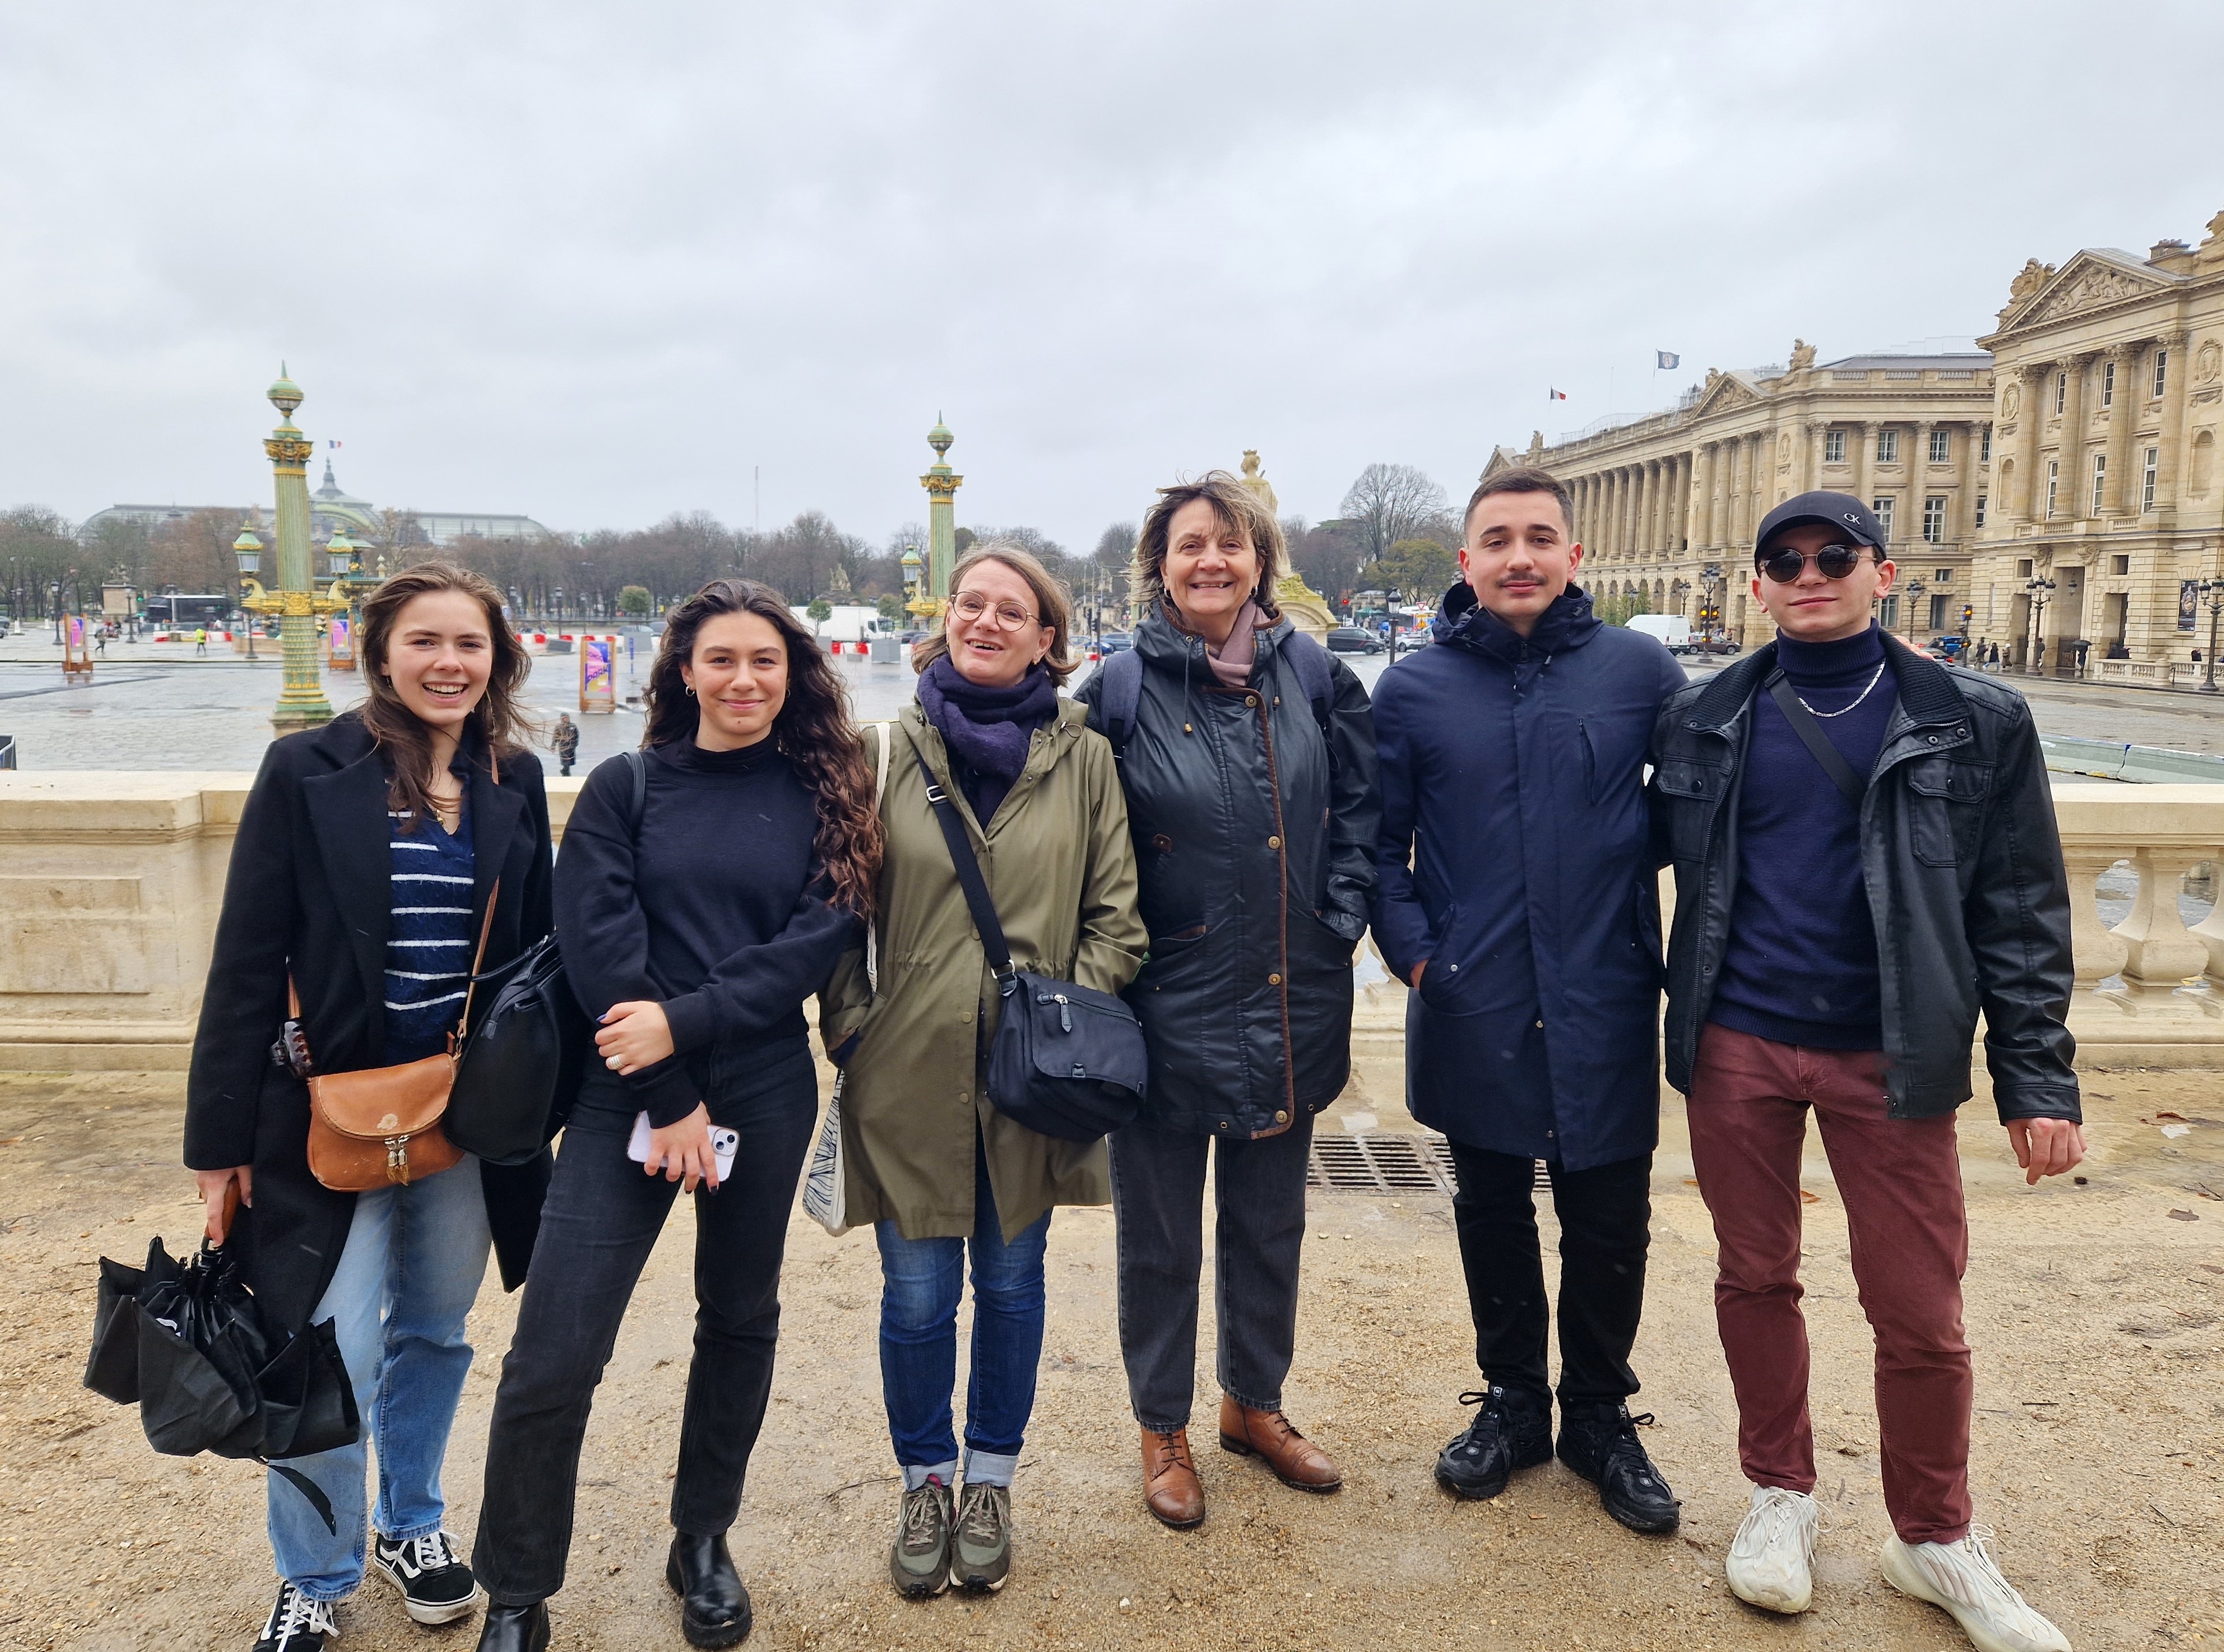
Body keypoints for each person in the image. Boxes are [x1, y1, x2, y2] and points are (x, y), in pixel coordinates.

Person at [1650, 491, 2081, 1650]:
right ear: (1755, 586)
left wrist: (2037, 1082)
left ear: (1879, 574)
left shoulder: (1974, 717)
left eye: (1830, 555)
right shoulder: (1703, 713)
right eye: (1781, 560)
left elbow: (2021, 911)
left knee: (1920, 1311)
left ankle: (1931, 1534)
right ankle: (1777, 1497)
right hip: (1735, 1037)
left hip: (1890, 1047)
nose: (1806, 573)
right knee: (1753, 1277)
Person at [471, 579, 876, 1652]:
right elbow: (598, 943)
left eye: (765, 662)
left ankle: (702, 1537)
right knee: (555, 1346)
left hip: (764, 1084)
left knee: (738, 1318)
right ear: (683, 670)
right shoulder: (625, 785)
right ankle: (516, 1585)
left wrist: (685, 1034)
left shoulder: (826, 791)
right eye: (722, 660)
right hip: (625, 1088)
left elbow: (813, 942)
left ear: (792, 677)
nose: (744, 680)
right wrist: (668, 1096)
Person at [185, 563, 556, 1652]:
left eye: (470, 645)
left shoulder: (513, 776)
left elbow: (534, 957)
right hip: (318, 1116)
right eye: (426, 642)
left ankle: (412, 1522)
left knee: (436, 1333)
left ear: (497, 659)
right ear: (381, 650)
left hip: (462, 1116)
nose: (449, 663)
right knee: (321, 1348)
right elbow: (245, 958)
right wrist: (218, 1145)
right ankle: (315, 1570)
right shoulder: (307, 767)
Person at [818, 544, 1145, 1599]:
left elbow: (1116, 916)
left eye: (1013, 610)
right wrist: (854, 1027)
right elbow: (840, 914)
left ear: (1048, 637)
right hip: (905, 1068)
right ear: (944, 617)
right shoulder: (883, 751)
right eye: (971, 603)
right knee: (916, 1299)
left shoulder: (1083, 757)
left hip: (1032, 1076)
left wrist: (1058, 1020)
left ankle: (990, 1480)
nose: (987, 621)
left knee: (1010, 1288)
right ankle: (925, 1478)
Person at [1369, 466, 1686, 1535]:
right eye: (1496, 539)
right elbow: (1378, 848)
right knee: (1489, 1207)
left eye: (1538, 537)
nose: (1518, 556)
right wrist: (1419, 957)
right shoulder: (1411, 689)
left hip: (1600, 987)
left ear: (1571, 556)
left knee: (1609, 1214)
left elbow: (1718, 789)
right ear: (1465, 562)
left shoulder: (1638, 670)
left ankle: (1598, 1412)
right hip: (1474, 990)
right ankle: (1513, 1401)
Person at [1070, 472, 1378, 1529]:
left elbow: (1362, 815)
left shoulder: (1319, 678)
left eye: (1231, 545)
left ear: (1262, 563)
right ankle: (1161, 1424)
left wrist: (1335, 922)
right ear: (1157, 563)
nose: (1211, 561)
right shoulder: (1115, 690)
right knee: (1157, 1236)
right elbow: (1071, 843)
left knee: (1268, 1224)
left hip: (1289, 990)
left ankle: (1254, 1404)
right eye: (1190, 544)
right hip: (1162, 1000)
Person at [552, 712, 579, 778]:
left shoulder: (573, 726)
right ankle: (566, 771)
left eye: (568, 718)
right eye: (565, 718)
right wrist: (553, 745)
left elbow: (577, 735)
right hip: (563, 747)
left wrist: (575, 744)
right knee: (565, 760)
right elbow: (555, 737)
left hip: (571, 747)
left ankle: (566, 770)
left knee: (570, 760)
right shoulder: (559, 727)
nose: (567, 719)